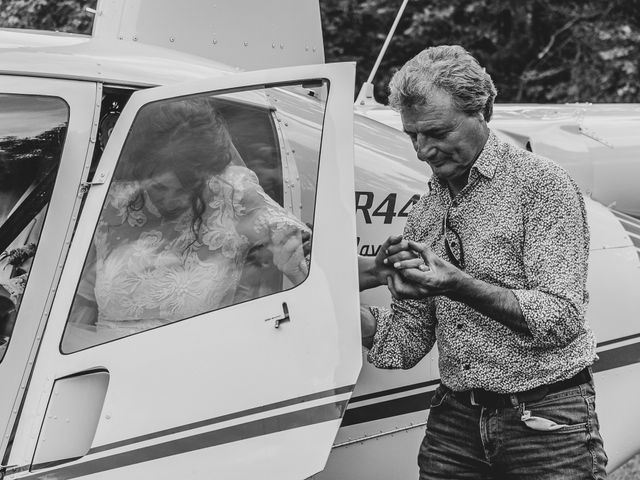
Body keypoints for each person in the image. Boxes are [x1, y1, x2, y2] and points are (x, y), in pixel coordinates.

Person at [358, 45, 607, 479]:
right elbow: (406, 344)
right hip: (455, 423)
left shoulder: (540, 185)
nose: (422, 150)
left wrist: (458, 285)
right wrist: (323, 306)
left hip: (547, 420)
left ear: (481, 111)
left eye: (436, 132)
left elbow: (561, 318)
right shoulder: (427, 212)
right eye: (412, 135)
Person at [64, 97, 309, 349]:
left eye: (188, 189)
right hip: (104, 366)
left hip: (198, 365)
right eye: (159, 187)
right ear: (142, 172)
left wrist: (294, 262)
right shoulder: (113, 201)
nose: (172, 199)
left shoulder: (232, 193)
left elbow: (303, 251)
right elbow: (81, 298)